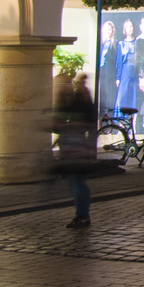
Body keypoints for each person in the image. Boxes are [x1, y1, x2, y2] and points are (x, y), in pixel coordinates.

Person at [54, 72, 97, 229]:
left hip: (76, 148)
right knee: (75, 181)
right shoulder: (72, 101)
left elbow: (87, 122)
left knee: (76, 181)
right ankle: (82, 214)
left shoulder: (79, 101)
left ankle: (82, 215)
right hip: (71, 147)